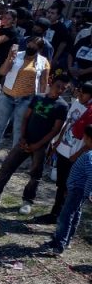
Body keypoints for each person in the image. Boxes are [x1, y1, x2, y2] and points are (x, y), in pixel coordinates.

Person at [0, 72, 68, 214]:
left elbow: (55, 130)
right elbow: (26, 117)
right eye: (58, 86)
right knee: (7, 165)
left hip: (41, 145)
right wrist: (23, 137)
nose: (60, 90)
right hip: (25, 140)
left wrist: (38, 145)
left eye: (64, 88)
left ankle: (27, 201)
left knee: (35, 175)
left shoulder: (62, 106)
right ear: (51, 82)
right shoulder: (38, 97)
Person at [41, 80, 92, 225]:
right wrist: (58, 141)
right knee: (61, 184)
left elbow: (90, 141)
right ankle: (54, 213)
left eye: (84, 94)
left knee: (69, 188)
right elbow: (68, 122)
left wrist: (78, 154)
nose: (80, 96)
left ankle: (62, 217)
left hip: (75, 155)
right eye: (79, 92)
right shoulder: (76, 103)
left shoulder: (90, 111)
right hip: (64, 149)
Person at [0, 37, 50, 152]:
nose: (31, 47)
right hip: (7, 95)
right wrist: (9, 58)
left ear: (39, 49)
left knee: (18, 128)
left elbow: (43, 82)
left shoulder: (44, 62)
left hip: (26, 99)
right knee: (1, 123)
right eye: (30, 44)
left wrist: (41, 100)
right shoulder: (16, 55)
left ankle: (13, 154)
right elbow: (2, 72)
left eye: (35, 46)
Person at [42, 127, 92, 255]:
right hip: (76, 189)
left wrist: (86, 194)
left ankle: (59, 244)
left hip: (77, 190)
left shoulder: (89, 157)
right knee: (74, 215)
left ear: (88, 138)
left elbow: (91, 177)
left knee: (65, 217)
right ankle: (65, 240)